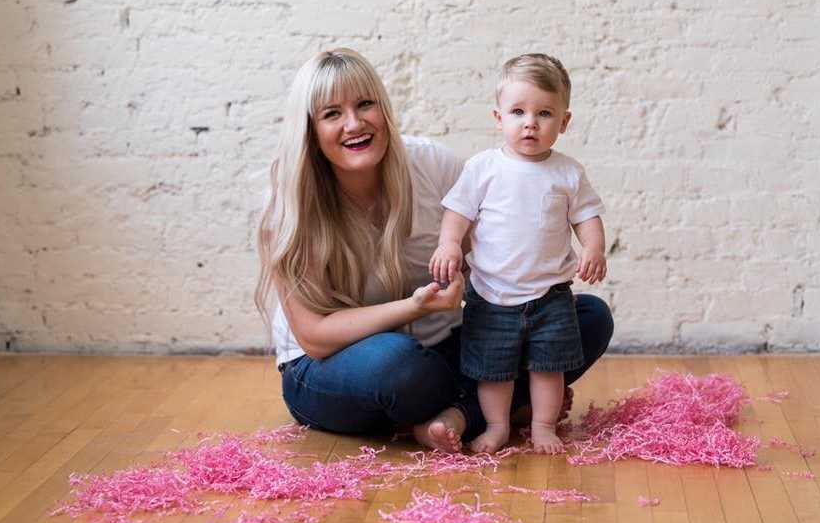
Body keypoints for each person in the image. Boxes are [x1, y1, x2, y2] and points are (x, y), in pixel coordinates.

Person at [255, 47, 613, 453]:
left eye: (365, 104)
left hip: (438, 350)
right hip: (330, 368)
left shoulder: (429, 163)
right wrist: (416, 306)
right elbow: (316, 338)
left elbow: (502, 226)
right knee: (397, 362)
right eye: (331, 113)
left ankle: (454, 417)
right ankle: (506, 404)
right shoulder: (289, 202)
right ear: (310, 129)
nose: (354, 123)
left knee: (585, 317)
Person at [429, 53, 607, 454]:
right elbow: (458, 212)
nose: (530, 122)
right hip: (492, 294)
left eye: (544, 113)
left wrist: (593, 246)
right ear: (498, 118)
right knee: (493, 370)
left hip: (550, 296)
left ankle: (543, 426)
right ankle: (496, 426)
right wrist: (449, 243)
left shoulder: (568, 172)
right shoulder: (484, 168)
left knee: (549, 367)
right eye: (518, 111)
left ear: (563, 122)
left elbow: (587, 216)